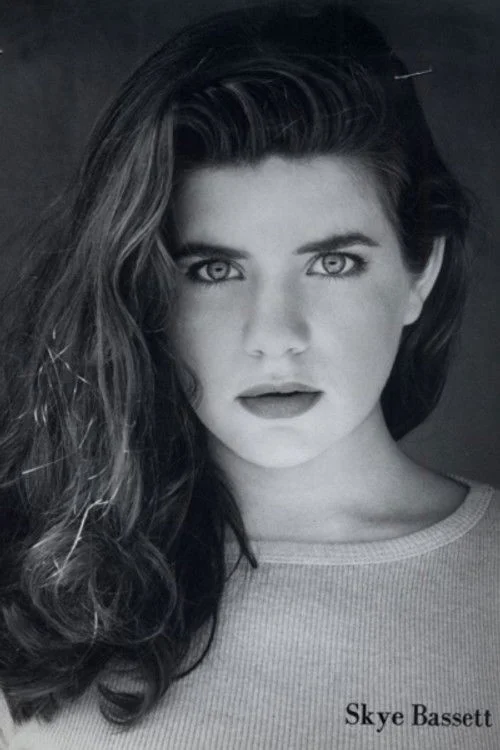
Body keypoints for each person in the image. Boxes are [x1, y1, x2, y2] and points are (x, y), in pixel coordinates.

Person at [0, 2, 498, 748]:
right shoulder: (28, 596)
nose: (274, 338)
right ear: (144, 292)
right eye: (213, 269)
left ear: (419, 272)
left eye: (333, 263)